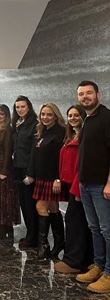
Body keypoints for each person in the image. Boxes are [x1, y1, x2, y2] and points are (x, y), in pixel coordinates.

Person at [75, 81, 110, 293]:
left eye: (89, 93)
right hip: (86, 184)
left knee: (107, 230)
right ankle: (98, 265)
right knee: (95, 228)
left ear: (98, 94)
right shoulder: (87, 118)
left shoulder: (106, 117)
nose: (85, 97)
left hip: (101, 186)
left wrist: (109, 183)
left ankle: (109, 273)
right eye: (81, 94)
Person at [54, 104, 93, 275]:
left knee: (74, 221)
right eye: (70, 115)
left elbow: (84, 165)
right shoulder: (71, 135)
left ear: (83, 116)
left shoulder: (85, 136)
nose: (72, 118)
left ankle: (74, 261)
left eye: (76, 115)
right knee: (81, 222)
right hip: (71, 184)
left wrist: (77, 189)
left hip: (80, 185)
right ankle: (84, 259)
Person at [25, 102, 66, 259]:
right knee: (53, 208)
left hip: (52, 179)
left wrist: (58, 178)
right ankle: (60, 242)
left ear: (56, 116)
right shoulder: (42, 131)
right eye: (43, 114)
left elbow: (60, 159)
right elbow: (35, 155)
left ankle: (43, 245)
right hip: (41, 178)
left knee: (40, 206)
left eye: (49, 114)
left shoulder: (60, 133)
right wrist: (31, 173)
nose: (45, 117)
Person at [0, 104, 20, 241]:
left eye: (1, 114)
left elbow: (8, 151)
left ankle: (3, 225)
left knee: (4, 197)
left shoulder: (7, 130)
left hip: (3, 167)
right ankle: (6, 226)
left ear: (6, 116)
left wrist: (4, 170)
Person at [12, 95, 38, 248]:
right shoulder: (17, 124)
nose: (20, 109)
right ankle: (30, 234)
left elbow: (34, 151)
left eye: (23, 106)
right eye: (17, 107)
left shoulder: (34, 125)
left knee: (30, 205)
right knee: (23, 203)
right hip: (18, 168)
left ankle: (33, 237)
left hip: (28, 170)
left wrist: (30, 173)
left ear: (29, 107)